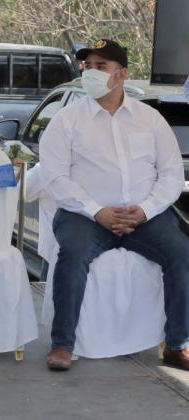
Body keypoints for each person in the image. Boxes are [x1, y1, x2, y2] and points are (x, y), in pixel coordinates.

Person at [38, 39, 189, 371]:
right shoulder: (67, 120)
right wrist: (97, 211)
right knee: (73, 255)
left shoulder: (150, 119)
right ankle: (62, 344)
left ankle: (177, 344)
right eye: (88, 66)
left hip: (144, 216)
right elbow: (55, 177)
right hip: (84, 216)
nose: (91, 73)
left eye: (101, 66)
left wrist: (145, 210)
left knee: (182, 254)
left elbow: (171, 173)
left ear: (121, 74)